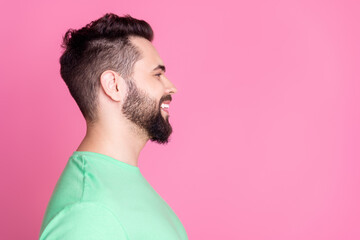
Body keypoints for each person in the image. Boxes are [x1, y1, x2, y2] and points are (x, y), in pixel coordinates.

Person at [39, 13, 188, 240]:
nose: (171, 87)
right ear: (114, 86)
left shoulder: (121, 182)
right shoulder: (87, 213)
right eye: (157, 74)